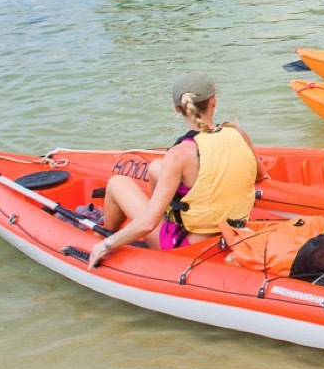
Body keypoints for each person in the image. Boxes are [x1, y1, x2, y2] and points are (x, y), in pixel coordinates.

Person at [89, 73, 262, 268]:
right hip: (230, 231)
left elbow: (147, 224)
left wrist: (106, 245)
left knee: (117, 183)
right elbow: (258, 174)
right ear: (213, 101)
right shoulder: (238, 133)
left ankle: (100, 235)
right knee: (155, 168)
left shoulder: (180, 154)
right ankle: (161, 216)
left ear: (177, 109)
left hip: (185, 246)